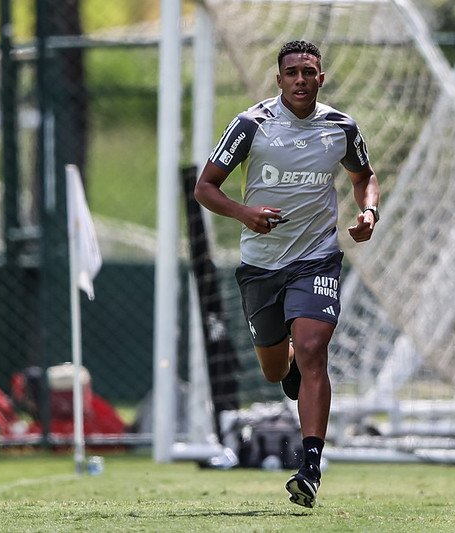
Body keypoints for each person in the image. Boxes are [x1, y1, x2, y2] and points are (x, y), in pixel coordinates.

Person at [194, 40, 380, 508]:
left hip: (317, 257)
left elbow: (364, 177)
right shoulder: (251, 125)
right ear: (279, 80)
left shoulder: (341, 127)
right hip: (261, 265)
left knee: (314, 349)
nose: (301, 79)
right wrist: (244, 213)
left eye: (309, 71)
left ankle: (310, 466)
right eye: (292, 72)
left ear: (321, 78)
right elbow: (205, 188)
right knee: (275, 368)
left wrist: (369, 212)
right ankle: (289, 362)